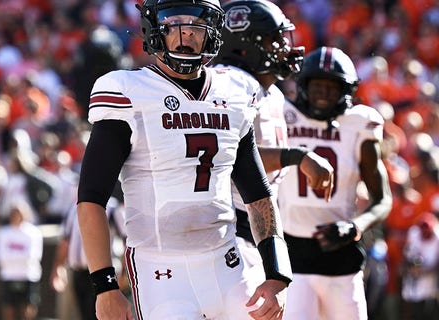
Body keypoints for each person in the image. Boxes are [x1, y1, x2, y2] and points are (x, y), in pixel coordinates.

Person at [76, 0, 292, 319]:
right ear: (154, 28)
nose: (185, 34)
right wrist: (105, 286)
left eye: (195, 25)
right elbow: (92, 197)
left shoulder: (236, 91)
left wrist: (277, 273)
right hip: (160, 269)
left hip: (228, 263)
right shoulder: (126, 90)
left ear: (213, 32)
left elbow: (258, 194)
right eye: (173, 23)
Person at [216, 0, 334, 271]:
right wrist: (297, 157)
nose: (284, 46)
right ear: (244, 46)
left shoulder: (272, 93)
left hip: (257, 221)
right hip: (231, 224)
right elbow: (232, 156)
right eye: (274, 40)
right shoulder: (229, 86)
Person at [279, 46, 393, 320]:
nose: (324, 95)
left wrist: (355, 227)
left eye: (332, 87)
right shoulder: (281, 114)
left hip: (340, 254)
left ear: (347, 90)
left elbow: (382, 199)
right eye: (318, 86)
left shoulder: (359, 123)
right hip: (291, 251)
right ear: (304, 84)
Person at [50, 196, 127, 320]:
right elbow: (65, 241)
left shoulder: (112, 207)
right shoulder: (73, 208)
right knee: (84, 313)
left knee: (104, 314)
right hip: (78, 272)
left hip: (103, 272)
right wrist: (57, 268)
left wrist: (124, 272)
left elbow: (126, 239)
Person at [0, 201, 43, 320]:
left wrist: (12, 256)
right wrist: (19, 256)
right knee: (8, 307)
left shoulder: (33, 233)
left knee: (28, 308)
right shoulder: (3, 233)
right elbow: (1, 257)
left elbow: (33, 256)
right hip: (8, 276)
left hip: (29, 276)